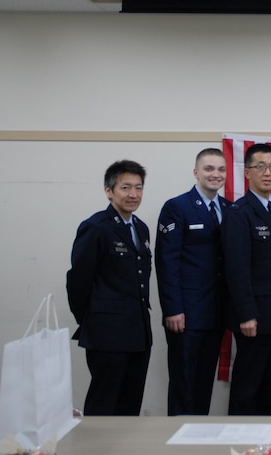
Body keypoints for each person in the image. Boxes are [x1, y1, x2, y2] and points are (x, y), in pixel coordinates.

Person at [66, 159, 151, 415]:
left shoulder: (141, 228)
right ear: (109, 190)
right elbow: (77, 281)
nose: (133, 194)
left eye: (138, 188)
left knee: (130, 404)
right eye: (126, 187)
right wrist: (93, 319)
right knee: (104, 402)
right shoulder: (96, 227)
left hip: (138, 332)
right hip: (107, 334)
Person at [223, 143, 271, 415]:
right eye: (260, 167)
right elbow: (237, 268)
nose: (267, 173)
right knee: (248, 385)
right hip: (255, 317)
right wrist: (246, 314)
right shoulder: (239, 212)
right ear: (247, 172)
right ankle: (241, 440)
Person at [154, 148, 228, 415]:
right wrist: (173, 308)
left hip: (215, 313)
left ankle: (200, 437)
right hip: (185, 313)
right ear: (196, 172)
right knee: (184, 383)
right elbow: (167, 263)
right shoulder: (177, 207)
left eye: (221, 170)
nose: (215, 175)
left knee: (203, 382)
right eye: (209, 169)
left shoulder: (228, 209)